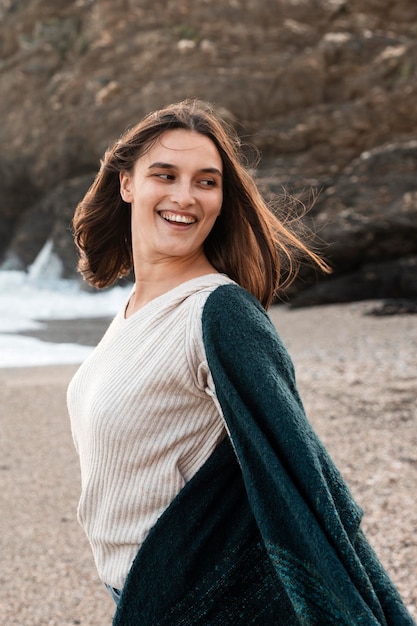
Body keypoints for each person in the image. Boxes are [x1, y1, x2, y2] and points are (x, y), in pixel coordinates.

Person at [67, 100, 414, 625]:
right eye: (166, 175)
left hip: (203, 602)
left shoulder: (218, 312)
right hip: (143, 598)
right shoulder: (133, 313)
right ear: (127, 184)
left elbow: (300, 477)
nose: (185, 196)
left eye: (206, 182)